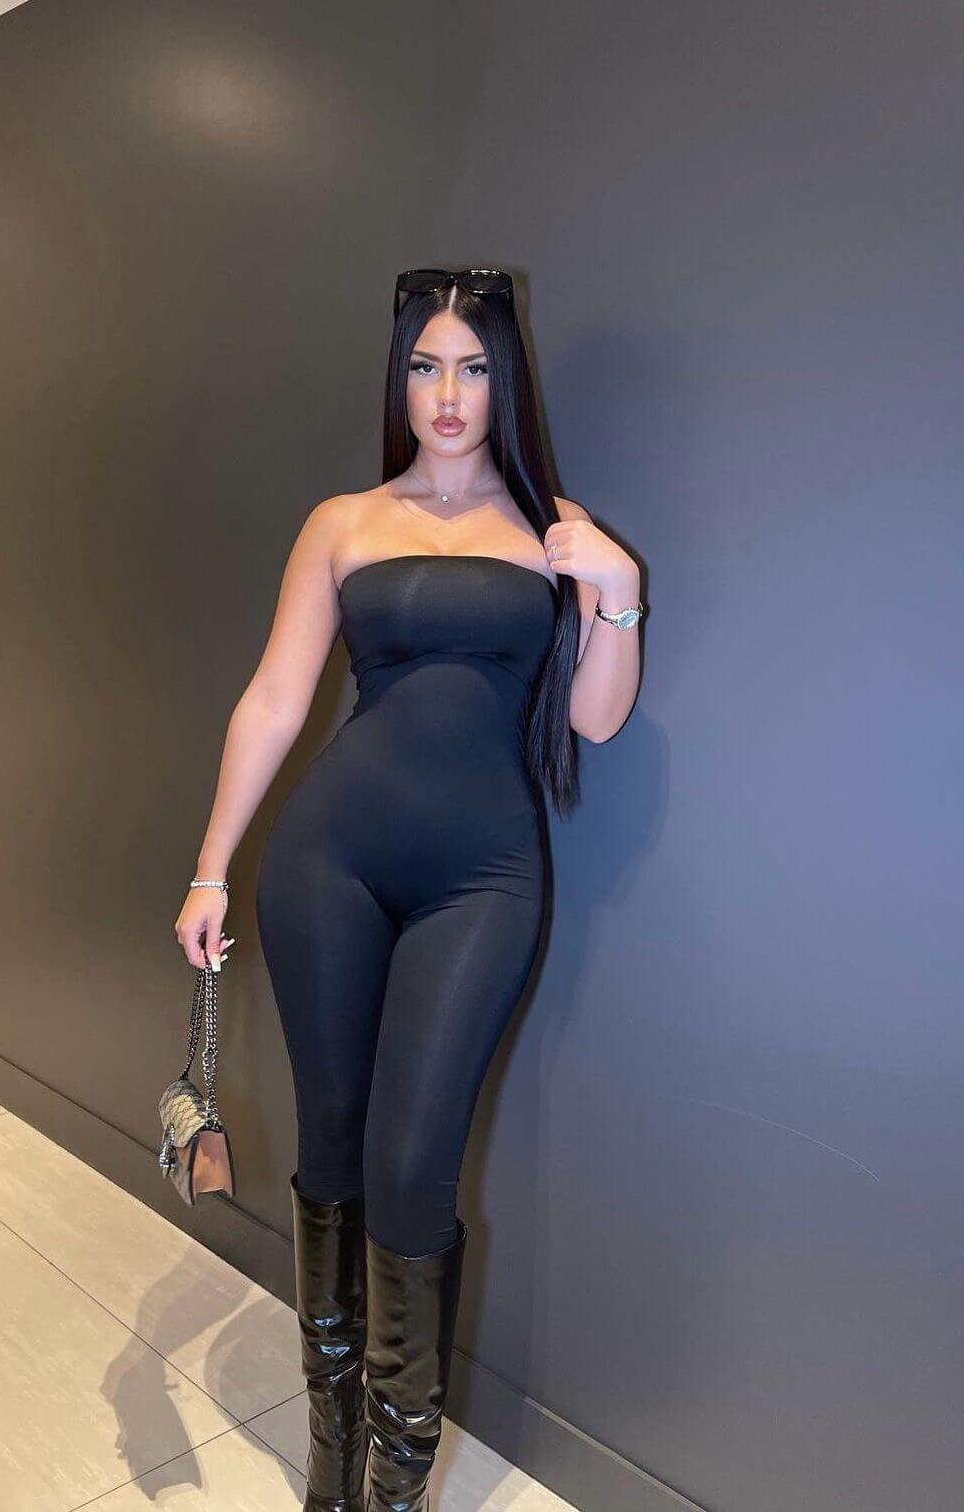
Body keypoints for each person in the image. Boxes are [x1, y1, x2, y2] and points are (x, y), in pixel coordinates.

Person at [174, 268, 644, 1511]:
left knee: (413, 1169)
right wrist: (212, 865)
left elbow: (596, 720)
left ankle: (395, 1486)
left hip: (482, 882)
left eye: (473, 368)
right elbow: (276, 698)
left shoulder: (555, 531)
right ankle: (334, 1466)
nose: (448, 393)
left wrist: (618, 588)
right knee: (331, 1150)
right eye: (427, 366)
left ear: (504, 383)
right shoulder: (343, 521)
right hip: (327, 865)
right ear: (401, 379)